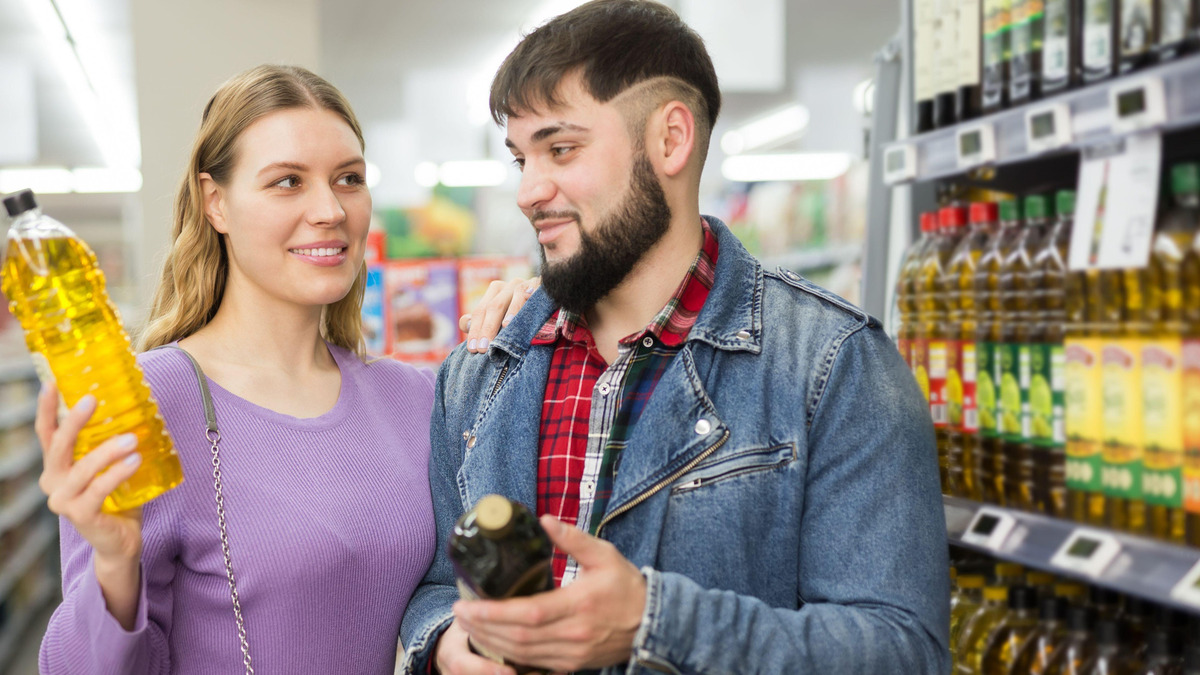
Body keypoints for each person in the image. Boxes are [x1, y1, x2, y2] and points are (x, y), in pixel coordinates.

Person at [399, 2, 951, 674]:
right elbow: (434, 586)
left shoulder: (832, 365)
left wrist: (652, 623)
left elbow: (900, 651)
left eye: (560, 148)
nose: (528, 189)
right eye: (521, 158)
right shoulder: (481, 370)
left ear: (670, 140)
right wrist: (446, 645)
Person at [34, 64, 530, 674]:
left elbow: (468, 586)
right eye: (287, 182)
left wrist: (541, 317)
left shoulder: (416, 397)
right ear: (215, 202)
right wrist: (112, 569)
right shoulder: (147, 402)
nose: (329, 210)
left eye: (349, 179)